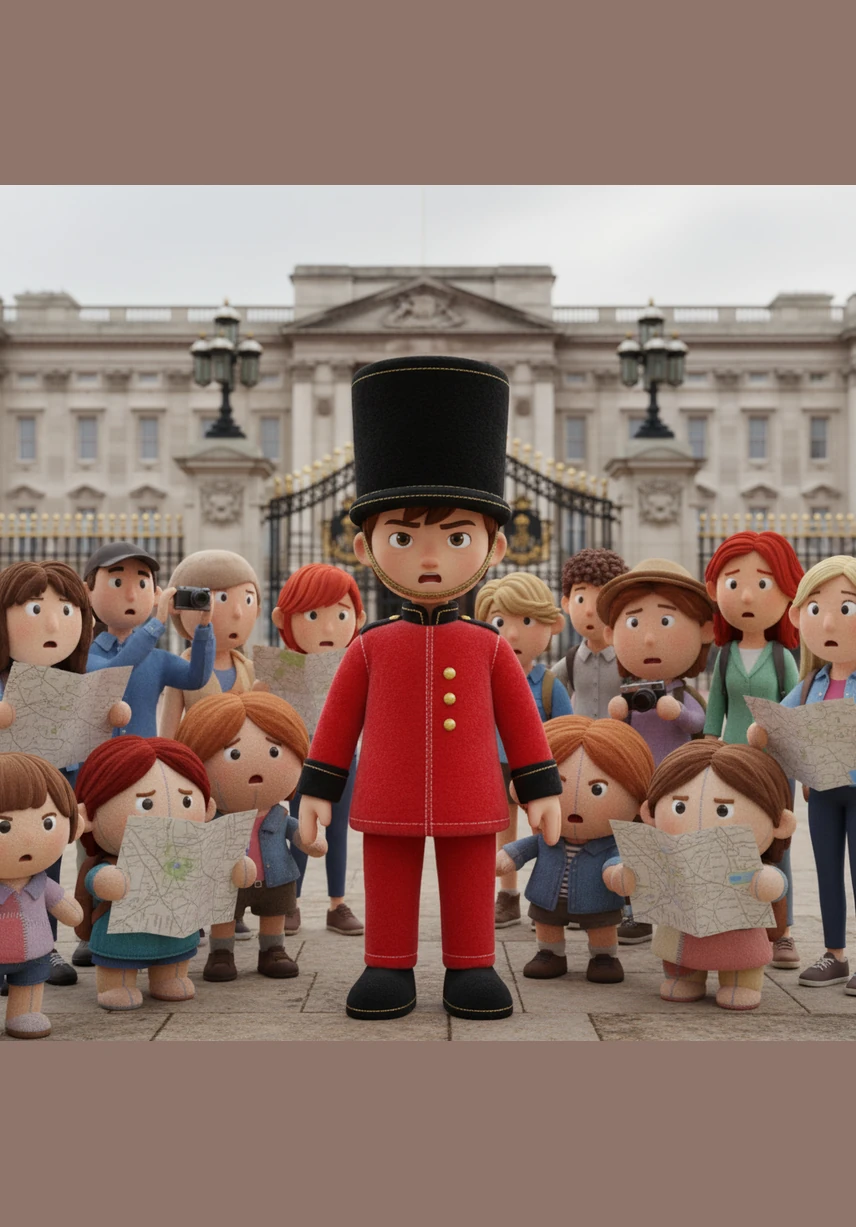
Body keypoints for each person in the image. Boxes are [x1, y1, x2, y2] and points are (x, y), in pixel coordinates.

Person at [296, 355, 562, 1023]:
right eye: (405, 534)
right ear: (366, 548)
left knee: (471, 875)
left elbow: (522, 720)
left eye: (457, 534)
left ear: (495, 548)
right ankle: (388, 960)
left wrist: (538, 786)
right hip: (388, 787)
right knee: (386, 873)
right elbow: (337, 724)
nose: (431, 556)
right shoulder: (369, 645)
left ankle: (471, 962)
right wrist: (318, 789)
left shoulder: (489, 646)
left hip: (472, 790)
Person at [0, 560, 130, 992]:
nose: (54, 622)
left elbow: (91, 731)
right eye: (35, 609)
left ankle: (43, 946)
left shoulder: (76, 680)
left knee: (46, 867)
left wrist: (111, 715)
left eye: (67, 609)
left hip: (55, 790)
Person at [604, 741, 796, 1011]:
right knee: (680, 958)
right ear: (650, 812)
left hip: (739, 932)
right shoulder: (663, 854)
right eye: (679, 807)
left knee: (741, 960)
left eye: (723, 810)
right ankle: (687, 979)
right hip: (681, 934)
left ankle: (741, 983)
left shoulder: (751, 864)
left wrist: (766, 882)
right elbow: (631, 871)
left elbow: (775, 884)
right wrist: (622, 876)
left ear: (781, 824)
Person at [74, 736, 251, 1010]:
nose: (169, 818)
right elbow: (97, 879)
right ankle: (117, 983)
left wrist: (236, 868)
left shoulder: (192, 850)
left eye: (186, 802)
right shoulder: (113, 859)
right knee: (120, 961)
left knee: (174, 959)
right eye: (146, 804)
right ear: (89, 816)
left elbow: (216, 872)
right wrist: (109, 880)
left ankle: (168, 977)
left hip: (175, 933)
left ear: (207, 808)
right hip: (121, 935)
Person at [748, 555, 856, 994]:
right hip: (824, 793)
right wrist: (761, 729)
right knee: (828, 872)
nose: (828, 622)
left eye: (845, 609)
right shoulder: (812, 682)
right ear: (799, 616)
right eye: (816, 609)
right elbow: (781, 721)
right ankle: (835, 954)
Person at [597, 558, 715, 945]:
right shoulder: (632, 691)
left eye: (665, 622)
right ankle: (637, 911)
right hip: (637, 779)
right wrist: (619, 711)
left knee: (674, 843)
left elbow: (699, 722)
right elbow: (618, 733)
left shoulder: (681, 690)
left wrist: (677, 711)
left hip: (675, 781)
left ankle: (676, 907)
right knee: (636, 846)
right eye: (634, 623)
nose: (648, 639)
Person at [703, 530, 803, 970]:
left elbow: (794, 713)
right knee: (730, 845)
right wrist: (708, 748)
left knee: (776, 850)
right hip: (730, 764)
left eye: (762, 583)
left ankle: (781, 932)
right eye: (734, 582)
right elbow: (716, 709)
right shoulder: (723, 655)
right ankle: (735, 922)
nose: (746, 595)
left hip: (774, 766)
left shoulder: (782, 657)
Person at [174, 691, 323, 982]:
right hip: (226, 879)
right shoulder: (214, 817)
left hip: (276, 876)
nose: (255, 770)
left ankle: (273, 950)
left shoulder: (279, 815)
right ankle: (221, 953)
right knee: (224, 916)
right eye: (234, 754)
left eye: (274, 752)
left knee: (274, 914)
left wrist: (312, 841)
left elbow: (299, 833)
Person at [497, 715, 654, 983]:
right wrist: (507, 857)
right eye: (559, 784)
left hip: (597, 899)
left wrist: (618, 873)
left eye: (598, 790)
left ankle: (604, 956)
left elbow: (615, 860)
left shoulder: (609, 843)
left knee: (602, 926)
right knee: (547, 924)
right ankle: (550, 953)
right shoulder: (548, 837)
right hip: (548, 897)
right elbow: (524, 849)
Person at [270, 563, 366, 937]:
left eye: (340, 615)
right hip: (299, 762)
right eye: (312, 615)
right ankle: (290, 900)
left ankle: (337, 903)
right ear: (284, 619)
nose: (328, 628)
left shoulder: (355, 663)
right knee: (296, 828)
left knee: (338, 830)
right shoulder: (283, 669)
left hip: (345, 759)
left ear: (357, 617)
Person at [473, 571, 571, 929]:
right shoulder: (481, 680)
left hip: (535, 769)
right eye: (500, 622)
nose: (512, 634)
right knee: (502, 833)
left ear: (552, 625)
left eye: (526, 621)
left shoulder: (548, 685)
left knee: (543, 832)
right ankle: (507, 896)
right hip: (491, 767)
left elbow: (566, 730)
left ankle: (547, 894)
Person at [85, 540, 215, 738]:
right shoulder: (87, 656)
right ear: (87, 593)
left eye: (142, 584)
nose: (130, 595)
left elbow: (196, 677)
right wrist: (157, 622)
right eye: (117, 583)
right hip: (97, 764)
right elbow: (116, 671)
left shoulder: (158, 659)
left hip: (145, 762)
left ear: (156, 595)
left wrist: (204, 627)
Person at [0, 754, 84, 1038]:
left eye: (47, 823)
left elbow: (69, 910)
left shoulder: (42, 883)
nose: (27, 839)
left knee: (30, 990)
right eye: (5, 826)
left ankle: (24, 1014)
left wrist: (74, 912)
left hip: (37, 954)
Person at [158, 550, 261, 739]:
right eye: (221, 598)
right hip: (199, 758)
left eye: (248, 599)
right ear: (180, 607)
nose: (238, 612)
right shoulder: (181, 671)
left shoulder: (250, 670)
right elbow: (167, 733)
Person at [552, 547, 628, 717]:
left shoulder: (627, 661)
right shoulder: (571, 663)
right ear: (566, 603)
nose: (589, 611)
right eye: (580, 599)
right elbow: (548, 690)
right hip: (580, 739)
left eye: (600, 599)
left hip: (617, 736)